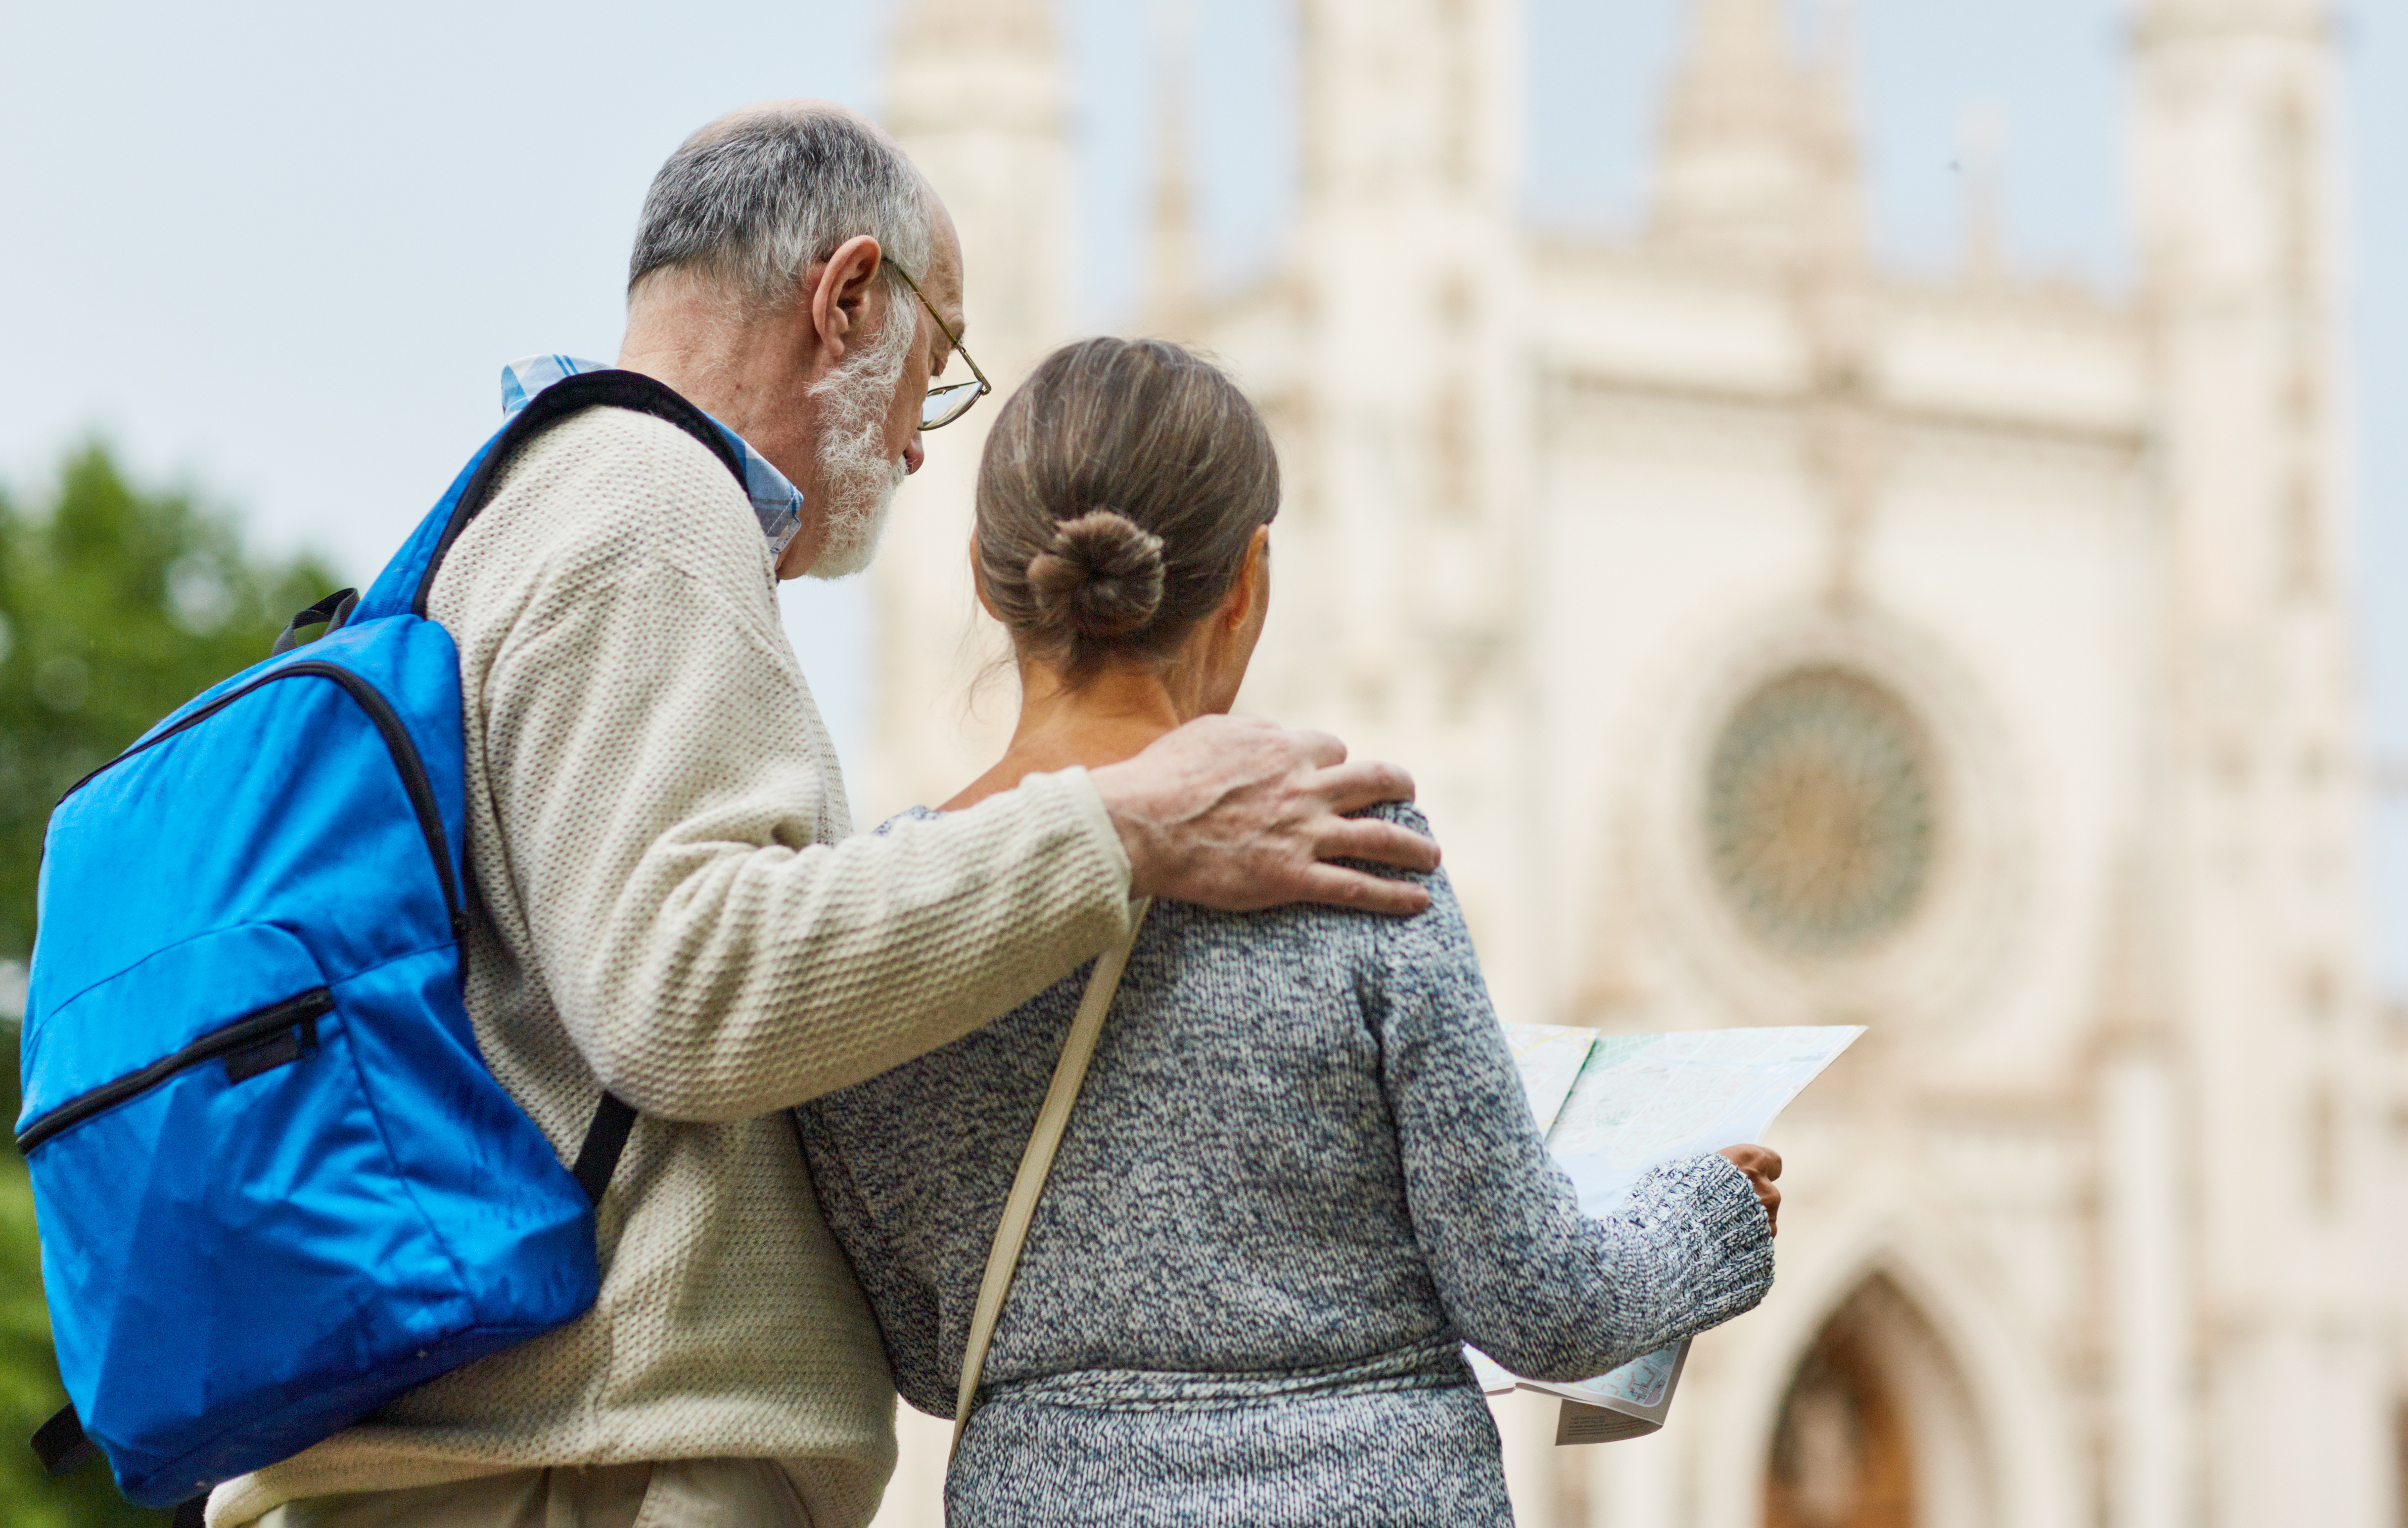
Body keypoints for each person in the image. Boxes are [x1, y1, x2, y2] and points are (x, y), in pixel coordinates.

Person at [217, 104, 1438, 1528]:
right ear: (848, 297)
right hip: (593, 1480)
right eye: (936, 365)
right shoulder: (655, 506)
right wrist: (1120, 829)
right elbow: (680, 987)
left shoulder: (538, 497)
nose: (921, 450)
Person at [795, 336, 1785, 1528]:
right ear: (1249, 581)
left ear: (983, 572)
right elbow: (1545, 1306)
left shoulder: (876, 916)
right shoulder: (1353, 855)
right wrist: (1709, 1217)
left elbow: (924, 1351)